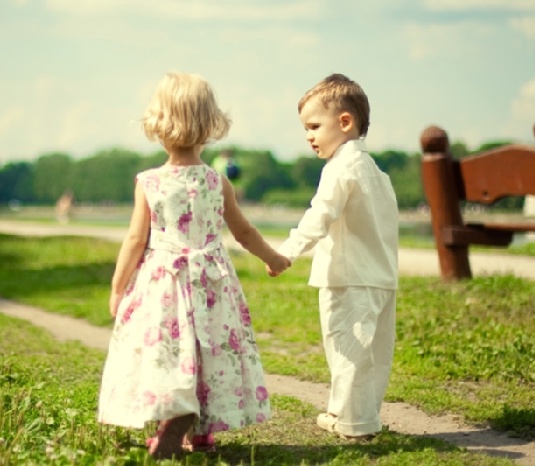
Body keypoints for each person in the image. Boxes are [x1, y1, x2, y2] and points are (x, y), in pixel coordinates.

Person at [97, 71, 290, 460]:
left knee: (165, 348)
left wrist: (118, 287)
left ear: (158, 123)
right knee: (209, 352)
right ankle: (200, 433)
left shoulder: (149, 182)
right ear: (209, 125)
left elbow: (135, 240)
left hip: (162, 282)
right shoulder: (217, 182)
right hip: (211, 282)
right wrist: (274, 258)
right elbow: (244, 232)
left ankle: (174, 418)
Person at [270, 74, 399, 440]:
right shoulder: (377, 173)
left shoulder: (339, 169)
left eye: (313, 126)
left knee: (347, 351)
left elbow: (320, 214)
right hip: (381, 279)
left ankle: (355, 425)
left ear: (344, 122)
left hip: (347, 278)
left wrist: (287, 251)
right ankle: (355, 415)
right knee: (373, 355)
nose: (308, 136)